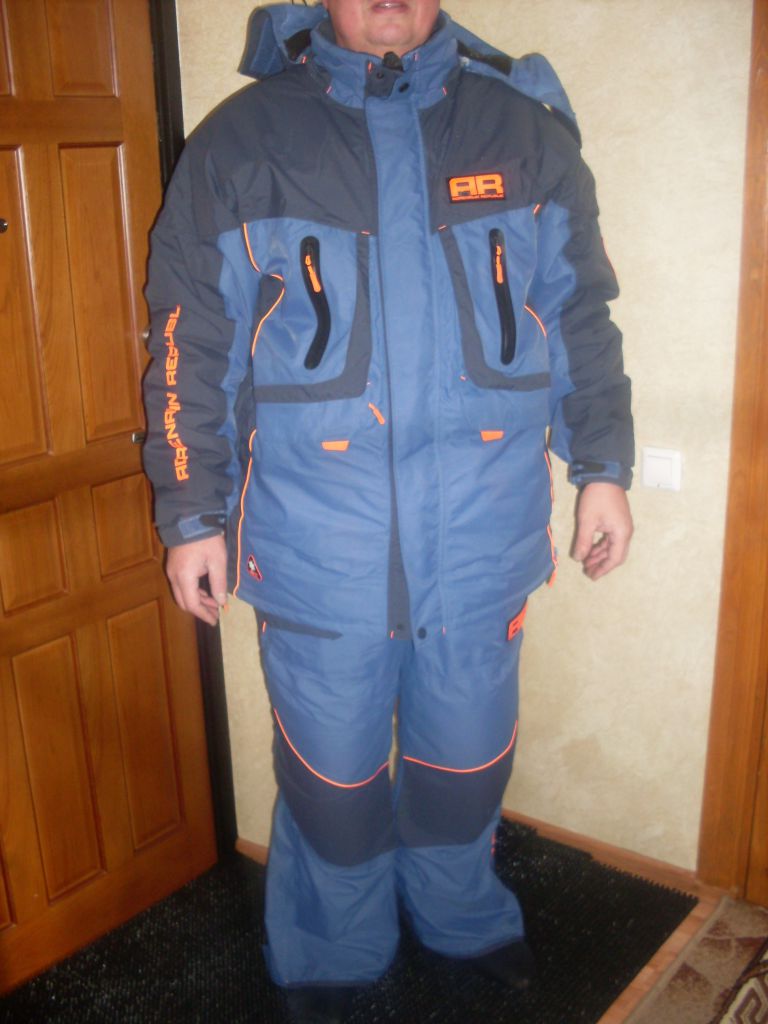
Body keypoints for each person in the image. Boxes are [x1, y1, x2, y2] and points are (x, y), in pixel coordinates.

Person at [143, 2, 634, 1021]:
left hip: (483, 538)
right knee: (333, 781)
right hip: (316, 545)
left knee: (467, 762)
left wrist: (604, 467)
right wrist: (192, 514)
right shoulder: (242, 144)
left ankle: (461, 919)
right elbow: (190, 344)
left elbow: (579, 316)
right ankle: (333, 947)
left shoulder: (524, 133)